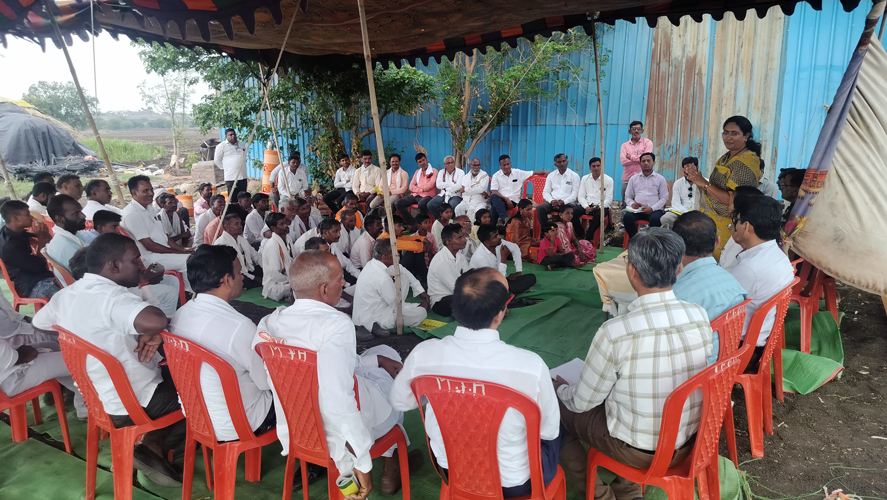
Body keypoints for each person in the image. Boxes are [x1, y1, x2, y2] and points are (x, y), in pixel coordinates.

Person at [555, 228, 712, 499]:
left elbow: (582, 403)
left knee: (556, 410)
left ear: (632, 272)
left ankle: (600, 495)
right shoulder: (699, 315)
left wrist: (560, 390)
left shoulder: (616, 332)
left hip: (639, 451)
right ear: (678, 269)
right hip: (690, 443)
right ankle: (628, 490)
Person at [252, 250, 422, 497]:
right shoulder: (335, 324)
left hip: (297, 423)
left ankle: (392, 459)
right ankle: (391, 465)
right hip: (337, 430)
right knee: (394, 388)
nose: (344, 283)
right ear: (324, 289)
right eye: (340, 278)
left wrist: (376, 360)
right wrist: (362, 463)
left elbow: (298, 369)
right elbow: (338, 398)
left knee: (383, 353)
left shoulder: (270, 322)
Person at [390, 267, 561, 498]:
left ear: (455, 306)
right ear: (500, 313)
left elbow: (401, 401)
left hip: (453, 472)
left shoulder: (424, 355)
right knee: (559, 430)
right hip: (513, 484)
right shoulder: (530, 366)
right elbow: (548, 431)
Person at [33, 233, 186, 486]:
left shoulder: (68, 294)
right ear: (114, 265)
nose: (141, 265)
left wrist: (80, 335)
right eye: (135, 260)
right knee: (201, 393)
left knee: (175, 377)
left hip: (97, 398)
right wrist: (151, 324)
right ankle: (151, 445)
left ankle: (151, 446)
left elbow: (40, 323)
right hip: (135, 401)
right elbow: (157, 320)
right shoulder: (113, 299)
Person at [169, 245, 274, 442]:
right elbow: (265, 382)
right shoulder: (239, 327)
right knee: (297, 390)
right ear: (227, 280)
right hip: (240, 424)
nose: (242, 277)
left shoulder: (180, 314)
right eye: (239, 273)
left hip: (196, 417)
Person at [672, 211, 748, 365]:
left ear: (675, 246)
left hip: (694, 373)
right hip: (725, 366)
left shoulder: (675, 296)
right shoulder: (734, 283)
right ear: (717, 242)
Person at [728, 195, 794, 372]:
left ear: (746, 226)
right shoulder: (777, 254)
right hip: (761, 342)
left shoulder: (750, 268)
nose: (733, 226)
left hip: (742, 351)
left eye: (735, 221)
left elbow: (720, 310)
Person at [685, 115, 764, 259]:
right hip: (713, 221)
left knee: (721, 263)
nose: (728, 137)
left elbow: (734, 201)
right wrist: (696, 178)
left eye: (734, 133)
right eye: (725, 132)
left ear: (746, 136)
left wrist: (704, 183)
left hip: (727, 226)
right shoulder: (729, 156)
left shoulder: (746, 162)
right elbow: (716, 186)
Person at [0, 291, 86, 419]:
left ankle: (83, 401)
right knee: (79, 361)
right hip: (8, 379)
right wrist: (21, 355)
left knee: (52, 346)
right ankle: (85, 405)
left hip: (7, 364)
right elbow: (7, 354)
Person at [121, 175, 192, 291]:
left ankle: (188, 291)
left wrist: (183, 249)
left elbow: (165, 237)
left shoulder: (150, 209)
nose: (151, 193)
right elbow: (150, 245)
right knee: (188, 260)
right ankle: (189, 292)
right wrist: (179, 252)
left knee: (192, 255)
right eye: (145, 190)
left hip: (160, 253)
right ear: (134, 192)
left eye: (151, 189)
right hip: (149, 259)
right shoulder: (132, 214)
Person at [353, 238, 430, 339]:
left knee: (403, 278)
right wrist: (420, 306)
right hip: (377, 316)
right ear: (384, 257)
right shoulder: (382, 277)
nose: (398, 255)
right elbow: (396, 305)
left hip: (373, 308)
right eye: (394, 253)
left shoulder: (373, 264)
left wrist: (420, 291)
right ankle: (373, 326)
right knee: (420, 313)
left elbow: (402, 270)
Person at [0, 200, 59, 298]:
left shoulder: (10, 231)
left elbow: (49, 240)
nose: (31, 217)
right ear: (15, 218)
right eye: (27, 214)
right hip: (32, 284)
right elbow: (39, 266)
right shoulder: (10, 246)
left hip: (40, 276)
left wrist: (43, 234)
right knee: (65, 294)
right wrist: (41, 239)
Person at [470, 223, 536, 294]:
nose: (499, 237)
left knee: (531, 278)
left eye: (498, 234)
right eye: (495, 236)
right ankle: (506, 295)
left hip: (500, 280)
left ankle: (508, 294)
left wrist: (518, 271)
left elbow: (515, 247)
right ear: (487, 243)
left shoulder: (499, 244)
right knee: (504, 289)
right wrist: (503, 259)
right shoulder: (480, 258)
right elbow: (498, 282)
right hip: (485, 288)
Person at [622, 152, 669, 238]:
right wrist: (632, 204)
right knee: (627, 217)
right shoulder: (633, 179)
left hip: (654, 210)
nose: (646, 163)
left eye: (648, 161)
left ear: (653, 163)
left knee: (656, 220)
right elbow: (628, 196)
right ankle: (635, 239)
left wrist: (652, 208)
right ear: (640, 164)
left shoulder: (660, 179)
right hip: (638, 210)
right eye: (643, 161)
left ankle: (651, 241)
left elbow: (664, 198)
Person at [489, 155, 546, 225]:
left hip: (513, 201)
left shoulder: (518, 173)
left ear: (510, 164)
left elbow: (533, 173)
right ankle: (505, 219)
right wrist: (506, 199)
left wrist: (545, 172)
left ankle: (494, 226)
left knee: (495, 206)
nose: (506, 166)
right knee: (494, 197)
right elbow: (494, 191)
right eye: (504, 165)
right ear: (500, 166)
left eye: (508, 164)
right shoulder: (496, 176)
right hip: (501, 200)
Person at [427, 224, 469, 317]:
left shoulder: (460, 256)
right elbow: (456, 289)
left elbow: (469, 279)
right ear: (449, 242)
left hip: (457, 294)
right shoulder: (441, 262)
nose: (465, 240)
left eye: (463, 236)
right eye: (460, 238)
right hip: (441, 301)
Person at [537, 153, 583, 238]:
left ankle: (570, 236)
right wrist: (551, 201)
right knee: (540, 208)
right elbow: (546, 192)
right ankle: (546, 232)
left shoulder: (574, 176)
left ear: (567, 162)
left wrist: (564, 202)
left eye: (564, 161)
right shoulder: (551, 176)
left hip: (568, 203)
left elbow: (575, 194)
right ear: (555, 164)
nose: (562, 163)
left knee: (565, 210)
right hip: (553, 202)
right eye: (559, 162)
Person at [214, 212, 263, 289]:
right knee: (259, 281)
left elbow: (256, 256)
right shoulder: (221, 243)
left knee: (268, 273)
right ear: (227, 226)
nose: (240, 226)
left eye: (240, 223)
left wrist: (267, 268)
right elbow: (231, 269)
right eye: (236, 224)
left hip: (248, 270)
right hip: (234, 275)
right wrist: (254, 278)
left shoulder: (242, 240)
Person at [45, 194, 87, 282]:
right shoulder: (66, 246)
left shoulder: (69, 236)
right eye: (76, 214)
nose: (83, 216)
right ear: (60, 219)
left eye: (81, 211)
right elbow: (89, 277)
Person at [394, 153, 437, 228]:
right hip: (416, 195)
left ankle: (424, 224)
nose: (422, 163)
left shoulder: (434, 171)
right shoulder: (417, 172)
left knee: (421, 203)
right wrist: (422, 189)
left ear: (427, 160)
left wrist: (418, 187)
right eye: (420, 162)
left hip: (428, 196)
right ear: (418, 164)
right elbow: (411, 186)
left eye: (423, 160)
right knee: (398, 203)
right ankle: (414, 223)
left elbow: (430, 185)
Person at [260, 212, 294, 302]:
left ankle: (292, 296)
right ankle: (292, 297)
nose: (286, 225)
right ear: (273, 228)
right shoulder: (272, 245)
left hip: (288, 280)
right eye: (282, 224)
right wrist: (293, 280)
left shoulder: (288, 239)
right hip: (274, 286)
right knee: (303, 285)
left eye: (286, 222)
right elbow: (274, 274)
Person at [619, 120, 654, 205]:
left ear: (642, 131)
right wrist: (639, 159)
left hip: (643, 177)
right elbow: (623, 162)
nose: (636, 131)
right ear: (629, 131)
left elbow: (647, 158)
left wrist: (631, 157)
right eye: (634, 129)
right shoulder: (624, 145)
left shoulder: (647, 143)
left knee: (642, 201)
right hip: (627, 178)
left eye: (638, 129)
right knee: (625, 201)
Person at [578, 157, 613, 238]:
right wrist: (587, 207)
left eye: (598, 166)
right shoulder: (585, 178)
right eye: (593, 166)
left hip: (601, 206)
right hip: (587, 205)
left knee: (598, 216)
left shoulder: (608, 180)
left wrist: (597, 207)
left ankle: (588, 237)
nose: (596, 168)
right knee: (574, 211)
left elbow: (608, 200)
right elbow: (581, 196)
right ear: (590, 168)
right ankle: (580, 234)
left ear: (602, 166)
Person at [660, 157, 699, 229]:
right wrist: (685, 213)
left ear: (697, 167)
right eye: (685, 168)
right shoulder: (678, 183)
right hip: (681, 212)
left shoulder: (705, 183)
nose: (688, 171)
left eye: (691, 168)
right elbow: (675, 203)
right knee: (665, 219)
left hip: (698, 213)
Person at [215, 128, 248, 202]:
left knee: (244, 197)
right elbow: (217, 160)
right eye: (230, 135)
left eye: (234, 134)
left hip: (243, 176)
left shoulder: (241, 144)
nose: (233, 136)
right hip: (231, 177)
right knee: (233, 198)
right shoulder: (221, 146)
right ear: (226, 136)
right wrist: (226, 168)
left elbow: (244, 156)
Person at [455, 157, 490, 221]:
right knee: (458, 209)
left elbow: (481, 189)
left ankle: (474, 227)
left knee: (475, 211)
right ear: (470, 166)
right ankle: (462, 226)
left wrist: (465, 189)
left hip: (479, 201)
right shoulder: (465, 177)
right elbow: (463, 193)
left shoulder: (484, 176)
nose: (476, 167)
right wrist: (475, 190)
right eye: (474, 165)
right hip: (466, 200)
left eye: (478, 165)